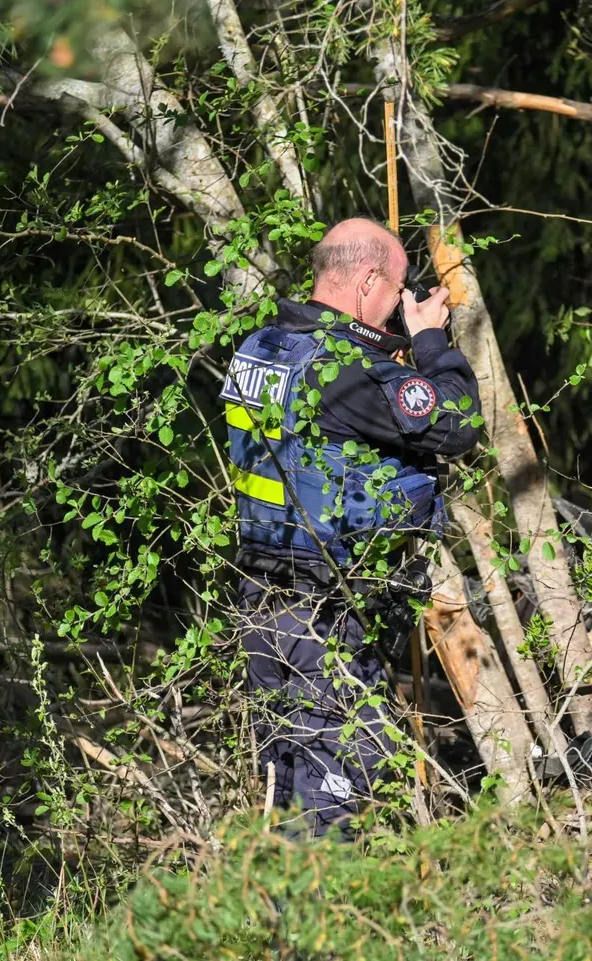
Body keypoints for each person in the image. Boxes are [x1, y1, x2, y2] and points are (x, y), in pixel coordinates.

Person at [223, 217, 482, 836]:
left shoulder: (259, 347)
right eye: (396, 294)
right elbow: (455, 423)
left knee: (282, 784)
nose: (398, 309)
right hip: (324, 612)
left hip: (261, 602)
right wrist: (429, 345)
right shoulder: (343, 371)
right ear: (369, 279)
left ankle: (283, 924)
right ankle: (323, 931)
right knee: (336, 784)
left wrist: (385, 349)